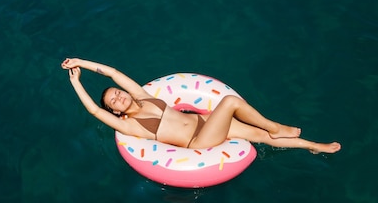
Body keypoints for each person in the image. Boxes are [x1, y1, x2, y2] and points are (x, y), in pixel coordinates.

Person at [61, 58, 341, 154]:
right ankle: (275, 126)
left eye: (117, 93)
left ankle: (313, 146)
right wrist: (76, 81)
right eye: (114, 101)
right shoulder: (130, 125)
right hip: (198, 141)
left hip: (206, 123)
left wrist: (80, 62)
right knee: (231, 102)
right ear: (116, 112)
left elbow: (112, 72)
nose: (119, 96)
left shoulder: (143, 96)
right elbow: (94, 110)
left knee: (260, 138)